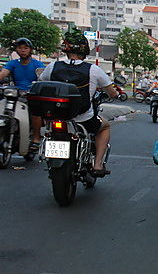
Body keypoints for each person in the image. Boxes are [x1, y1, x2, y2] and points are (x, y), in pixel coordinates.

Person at [39, 29, 117, 175]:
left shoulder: (53, 66)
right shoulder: (93, 70)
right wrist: (115, 94)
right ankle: (98, 165)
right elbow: (112, 92)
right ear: (84, 49)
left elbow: (41, 82)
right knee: (105, 127)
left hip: (56, 117)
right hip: (83, 118)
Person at [0, 38, 46, 150]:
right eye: (20, 48)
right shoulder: (12, 63)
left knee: (35, 113)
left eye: (25, 48)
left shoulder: (37, 64)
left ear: (30, 50)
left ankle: (36, 138)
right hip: (15, 94)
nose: (23, 50)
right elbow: (3, 74)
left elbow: (43, 78)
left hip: (31, 95)